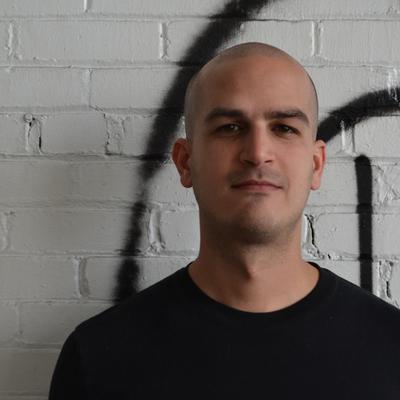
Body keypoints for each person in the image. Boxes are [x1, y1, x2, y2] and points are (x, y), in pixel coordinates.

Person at [49, 42, 400, 399]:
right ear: (185, 162)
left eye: (284, 128)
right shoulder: (97, 358)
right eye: (230, 127)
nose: (258, 153)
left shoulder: (391, 348)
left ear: (316, 164)